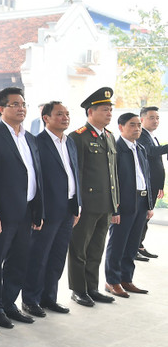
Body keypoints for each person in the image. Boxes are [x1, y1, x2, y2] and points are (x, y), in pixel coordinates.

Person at [0, 87, 44, 329]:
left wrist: (38, 210)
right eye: (14, 104)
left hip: (27, 210)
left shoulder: (29, 138)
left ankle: (9, 304)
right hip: (4, 213)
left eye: (23, 104)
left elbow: (36, 175)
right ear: (1, 109)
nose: (21, 108)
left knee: (19, 260)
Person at [22, 102, 80, 317]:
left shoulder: (70, 142)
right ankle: (31, 299)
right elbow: (36, 179)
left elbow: (75, 173)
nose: (65, 117)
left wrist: (77, 204)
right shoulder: (37, 143)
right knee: (39, 256)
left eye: (67, 114)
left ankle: (49, 297)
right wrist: (39, 211)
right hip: (48, 210)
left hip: (68, 208)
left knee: (57, 256)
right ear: (46, 118)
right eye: (59, 114)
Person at [67, 88, 119, 307]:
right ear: (91, 112)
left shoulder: (109, 136)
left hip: (105, 204)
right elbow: (76, 173)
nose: (109, 113)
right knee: (79, 248)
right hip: (87, 205)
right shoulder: (78, 137)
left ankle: (92, 287)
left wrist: (115, 205)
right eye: (105, 110)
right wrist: (76, 205)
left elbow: (113, 173)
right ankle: (79, 290)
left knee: (97, 248)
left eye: (110, 110)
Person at [105, 113, 152, 296]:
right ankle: (112, 281)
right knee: (118, 243)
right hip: (123, 202)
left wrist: (148, 205)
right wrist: (114, 208)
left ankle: (126, 278)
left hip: (140, 201)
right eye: (132, 125)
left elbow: (145, 177)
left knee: (132, 244)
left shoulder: (139, 148)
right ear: (121, 127)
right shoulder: (116, 149)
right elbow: (112, 181)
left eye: (139, 125)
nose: (137, 128)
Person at [137, 106, 167, 259]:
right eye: (152, 117)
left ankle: (139, 245)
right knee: (143, 216)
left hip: (154, 185)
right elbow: (151, 152)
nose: (156, 121)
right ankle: (135, 247)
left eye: (157, 118)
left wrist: (160, 185)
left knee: (146, 217)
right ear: (142, 120)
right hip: (146, 185)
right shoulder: (141, 135)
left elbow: (157, 163)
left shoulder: (151, 135)